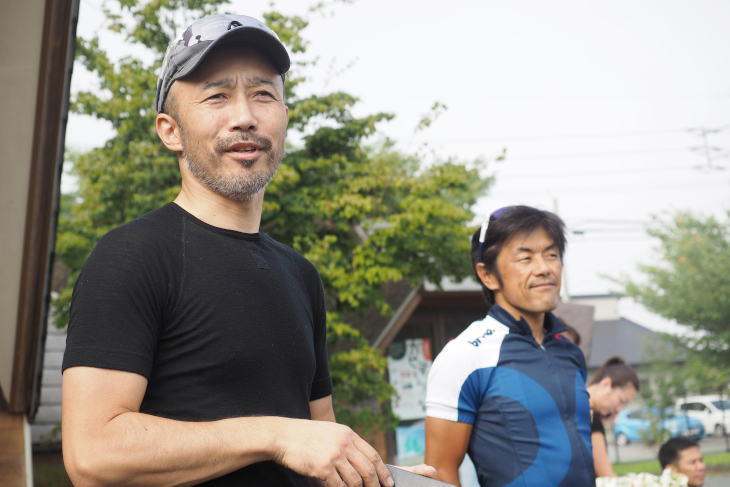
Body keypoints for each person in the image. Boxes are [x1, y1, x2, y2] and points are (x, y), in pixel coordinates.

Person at [61, 14, 434, 487]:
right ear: (169, 130)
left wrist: (385, 478)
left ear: (283, 117)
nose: (245, 116)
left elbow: (316, 444)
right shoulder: (130, 257)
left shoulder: (300, 274)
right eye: (216, 95)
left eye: (263, 94)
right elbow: (92, 454)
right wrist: (276, 435)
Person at [424, 206, 595, 486]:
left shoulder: (570, 351)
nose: (544, 268)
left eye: (552, 255)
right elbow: (439, 473)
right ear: (488, 275)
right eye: (525, 258)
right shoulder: (465, 355)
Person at [586, 356, 639, 478]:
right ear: (606, 384)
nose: (618, 409)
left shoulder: (572, 404)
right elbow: (606, 476)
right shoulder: (590, 416)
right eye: (621, 401)